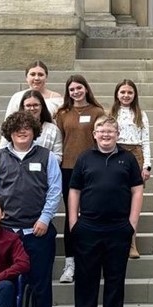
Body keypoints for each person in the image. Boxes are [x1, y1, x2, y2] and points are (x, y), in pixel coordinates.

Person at [0, 111, 62, 307]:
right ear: (10, 133)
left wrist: (45, 218)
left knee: (40, 278)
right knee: (5, 280)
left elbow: (55, 191)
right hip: (5, 232)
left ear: (34, 131)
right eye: (17, 128)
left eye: (27, 127)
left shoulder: (47, 157)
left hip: (37, 229)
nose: (22, 131)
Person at [66, 115, 144, 307]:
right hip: (88, 227)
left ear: (117, 134)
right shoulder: (84, 158)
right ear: (95, 134)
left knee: (115, 278)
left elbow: (137, 190)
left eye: (110, 131)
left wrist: (132, 224)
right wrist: (73, 222)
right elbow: (74, 191)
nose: (106, 135)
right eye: (101, 131)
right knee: (85, 278)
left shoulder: (127, 158)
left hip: (118, 227)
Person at [55, 74, 106, 283]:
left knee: (93, 213)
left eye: (79, 88)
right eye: (72, 89)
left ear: (86, 89)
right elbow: (59, 140)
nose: (76, 92)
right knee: (72, 216)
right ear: (68, 92)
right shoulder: (62, 113)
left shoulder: (97, 112)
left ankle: (92, 259)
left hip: (92, 169)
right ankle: (70, 263)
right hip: (68, 169)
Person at [111, 79, 152, 259]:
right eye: (123, 92)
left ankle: (131, 242)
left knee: (132, 201)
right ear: (117, 94)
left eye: (129, 92)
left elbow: (146, 140)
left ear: (134, 95)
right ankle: (115, 240)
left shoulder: (141, 114)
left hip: (135, 153)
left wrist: (147, 165)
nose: (126, 95)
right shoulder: (111, 113)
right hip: (116, 151)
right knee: (116, 198)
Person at [0, 90, 62, 159]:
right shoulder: (13, 127)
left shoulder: (53, 129)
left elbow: (57, 155)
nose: (32, 108)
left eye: (35, 105)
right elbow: (2, 151)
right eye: (28, 105)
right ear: (23, 107)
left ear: (42, 106)